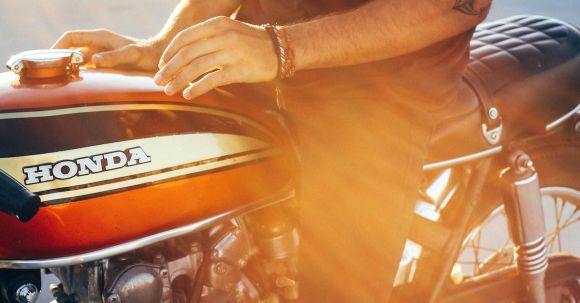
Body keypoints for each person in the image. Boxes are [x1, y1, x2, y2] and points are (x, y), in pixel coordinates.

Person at [53, 0, 492, 301]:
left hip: (376, 92)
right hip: (255, 51)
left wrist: (280, 48)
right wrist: (163, 46)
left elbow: (448, 4)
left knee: (338, 289)